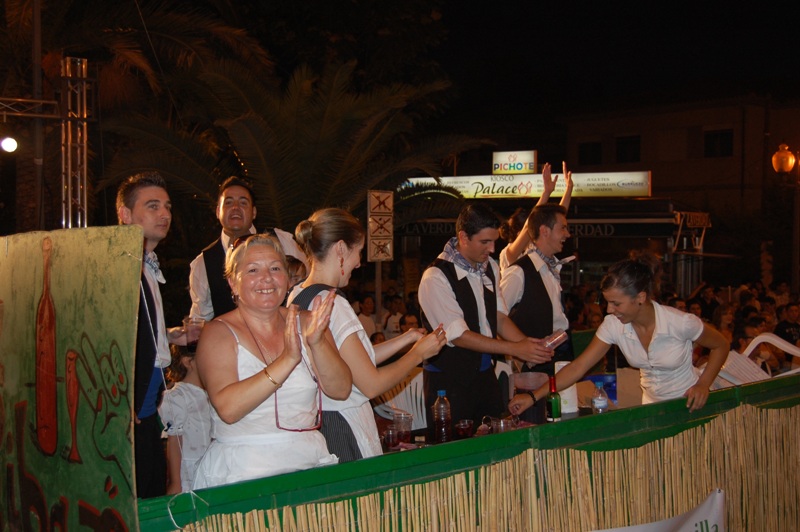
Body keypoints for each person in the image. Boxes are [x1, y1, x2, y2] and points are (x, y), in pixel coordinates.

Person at [193, 235, 352, 489]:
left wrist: (317, 343)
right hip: (243, 473)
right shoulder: (218, 332)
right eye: (253, 270)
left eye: (275, 268)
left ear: (287, 279)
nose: (266, 278)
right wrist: (287, 360)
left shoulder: (308, 321)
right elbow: (229, 409)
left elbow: (341, 389)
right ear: (233, 283)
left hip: (308, 466)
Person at [291, 208, 446, 462]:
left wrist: (406, 339)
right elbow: (371, 383)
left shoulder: (298, 293)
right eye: (358, 252)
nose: (359, 262)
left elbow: (355, 360)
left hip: (320, 423)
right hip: (344, 426)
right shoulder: (333, 304)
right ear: (341, 249)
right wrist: (418, 354)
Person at [509, 253, 729, 415]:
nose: (609, 310)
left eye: (616, 303)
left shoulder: (680, 322)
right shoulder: (613, 325)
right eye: (606, 303)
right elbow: (578, 367)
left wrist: (703, 384)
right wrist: (532, 396)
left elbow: (721, 345)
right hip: (652, 409)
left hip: (691, 405)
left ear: (640, 297)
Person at [418, 203, 554, 431]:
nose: (492, 249)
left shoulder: (490, 267)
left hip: (485, 375)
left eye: (494, 241)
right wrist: (514, 349)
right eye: (484, 242)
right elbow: (458, 335)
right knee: (454, 449)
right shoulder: (436, 277)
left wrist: (527, 345)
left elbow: (498, 317)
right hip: (449, 383)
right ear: (463, 237)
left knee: (495, 440)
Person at [116, 171, 182, 498]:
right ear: (125, 215)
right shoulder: (116, 265)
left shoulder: (148, 265)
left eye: (167, 206)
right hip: (128, 408)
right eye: (152, 206)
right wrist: (118, 398)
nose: (165, 214)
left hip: (149, 403)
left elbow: (140, 331)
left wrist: (174, 335)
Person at [188, 176, 306, 321]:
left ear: (254, 212)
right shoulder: (203, 264)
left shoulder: (281, 240)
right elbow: (200, 319)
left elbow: (309, 281)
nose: (235, 207)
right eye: (229, 202)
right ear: (218, 211)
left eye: (243, 202)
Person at [500, 204, 574, 377]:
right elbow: (495, 317)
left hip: (557, 360)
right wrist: (518, 351)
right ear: (545, 231)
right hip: (532, 371)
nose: (568, 234)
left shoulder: (550, 269)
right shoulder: (519, 272)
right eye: (562, 228)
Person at [499, 162, 574, 271]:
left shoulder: (534, 250)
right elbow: (529, 225)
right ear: (519, 232)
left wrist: (569, 189)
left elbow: (557, 219)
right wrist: (546, 193)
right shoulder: (508, 254)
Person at [158, 345, 212, 494]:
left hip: (209, 466)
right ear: (188, 362)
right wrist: (176, 482)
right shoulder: (177, 396)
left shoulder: (209, 392)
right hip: (189, 471)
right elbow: (174, 439)